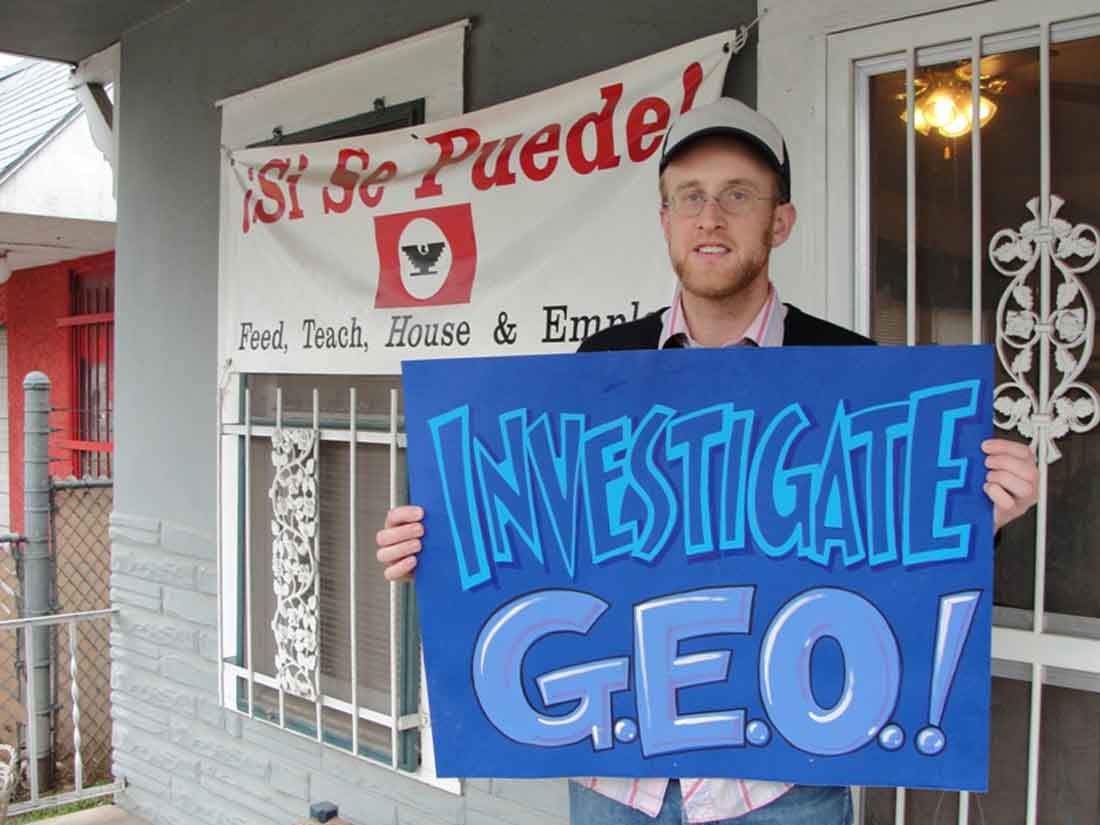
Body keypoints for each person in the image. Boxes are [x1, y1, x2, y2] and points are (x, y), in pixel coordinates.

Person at [375, 98, 1039, 824]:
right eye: (689, 196)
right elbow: (546, 534)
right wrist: (436, 546)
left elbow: (903, 552)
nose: (711, 217)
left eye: (737, 195)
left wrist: (983, 517)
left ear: (779, 221)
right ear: (665, 220)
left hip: (784, 783)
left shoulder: (851, 372)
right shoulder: (598, 366)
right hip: (617, 781)